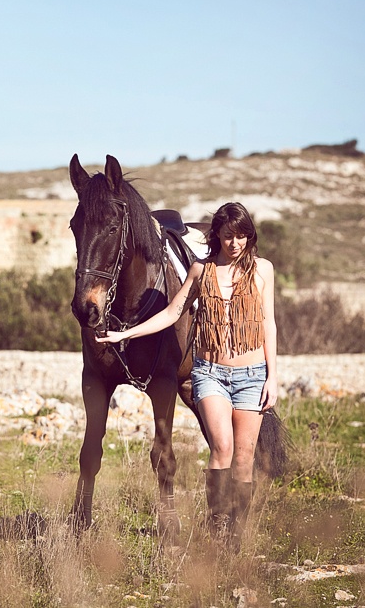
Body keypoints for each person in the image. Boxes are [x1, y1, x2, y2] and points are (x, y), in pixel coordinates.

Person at [96, 201, 277, 539]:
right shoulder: (200, 270)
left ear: (249, 237)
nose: (234, 243)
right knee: (222, 448)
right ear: (217, 236)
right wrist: (125, 334)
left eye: (241, 236)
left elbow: (269, 324)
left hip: (252, 375)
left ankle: (236, 534)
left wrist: (273, 377)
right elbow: (171, 313)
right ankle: (217, 527)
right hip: (210, 373)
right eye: (228, 236)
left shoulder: (263, 270)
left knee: (244, 457)